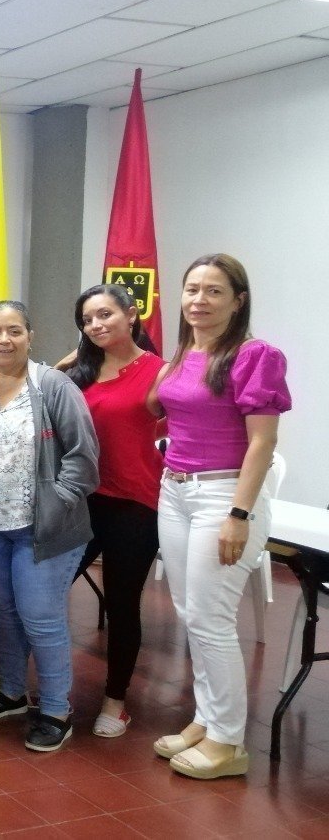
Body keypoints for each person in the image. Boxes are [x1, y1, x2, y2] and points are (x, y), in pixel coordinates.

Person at [149, 254, 290, 780]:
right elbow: (158, 409)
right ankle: (208, 720)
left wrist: (239, 513)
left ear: (239, 300)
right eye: (191, 290)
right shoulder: (186, 353)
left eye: (213, 291)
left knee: (212, 620)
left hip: (224, 496)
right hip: (176, 490)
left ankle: (229, 742)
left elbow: (263, 443)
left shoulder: (256, 356)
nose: (198, 301)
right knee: (191, 614)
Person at [0, 300, 99, 753]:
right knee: (4, 612)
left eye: (14, 331)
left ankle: (55, 710)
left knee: (41, 619)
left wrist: (54, 504)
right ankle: (12, 693)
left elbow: (83, 461)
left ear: (30, 335)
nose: (3, 340)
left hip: (41, 530)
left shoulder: (54, 387)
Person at [57, 284, 164, 738]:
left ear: (132, 314)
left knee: (122, 603)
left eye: (105, 315)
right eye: (87, 319)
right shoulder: (77, 370)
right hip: (82, 500)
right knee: (46, 586)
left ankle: (115, 700)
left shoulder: (161, 372)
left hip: (135, 504)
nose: (96, 325)